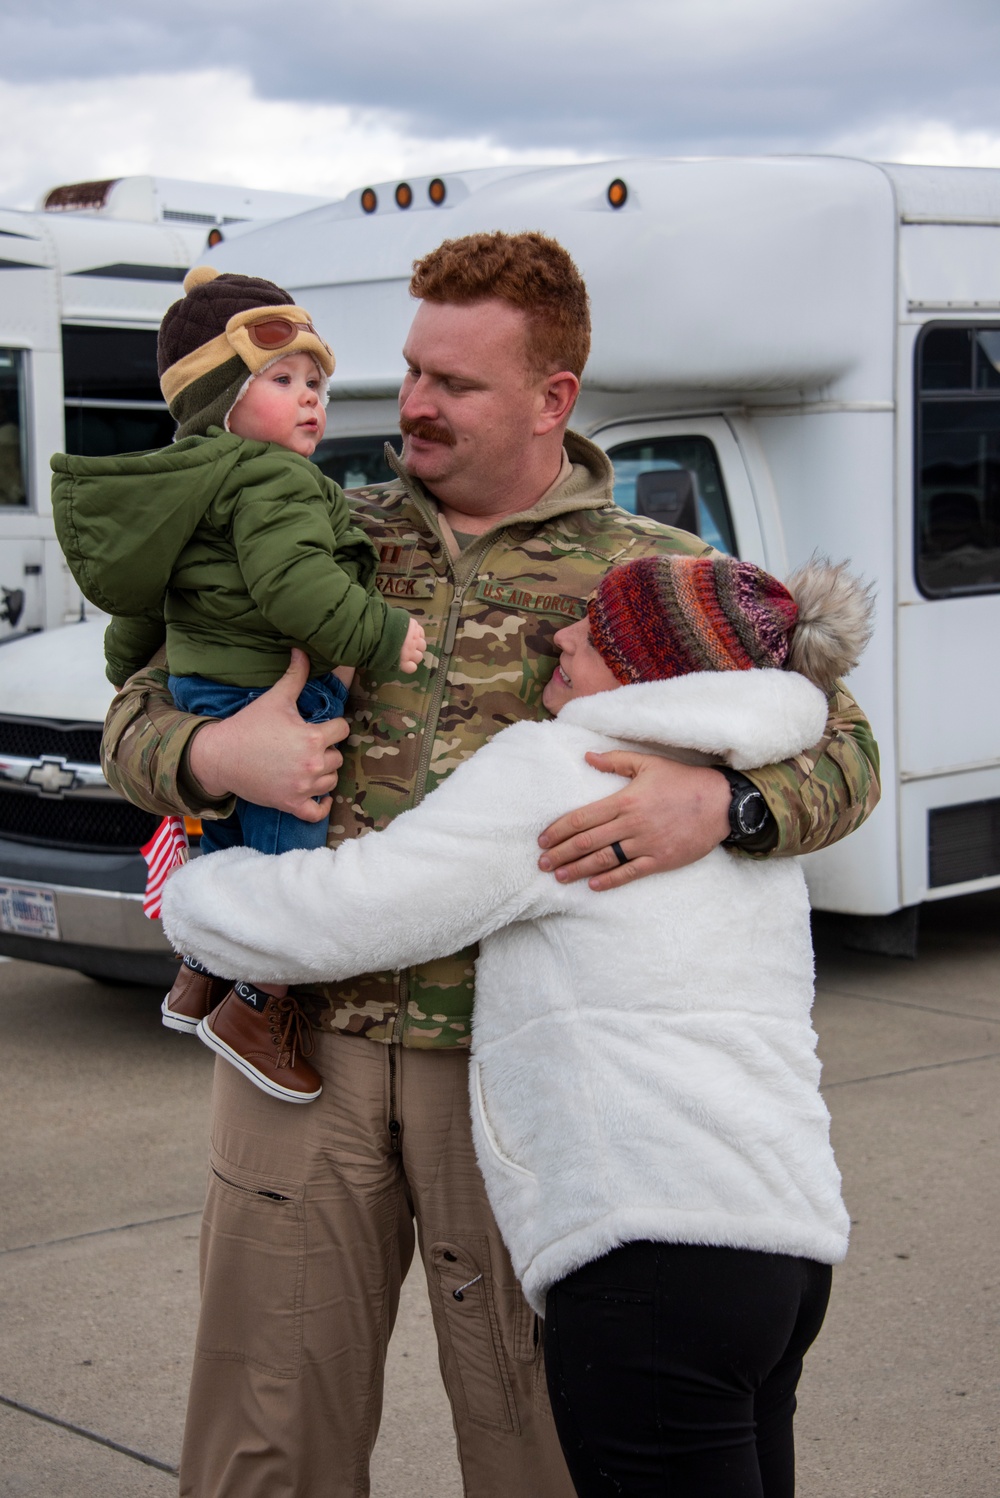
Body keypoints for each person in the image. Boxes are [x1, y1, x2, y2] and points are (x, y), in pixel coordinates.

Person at [101, 230, 881, 1498]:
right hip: (301, 1048)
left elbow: (844, 752)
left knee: (538, 1442)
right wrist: (210, 757)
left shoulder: (651, 574)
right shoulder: (302, 528)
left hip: (514, 1074)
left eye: (453, 383)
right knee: (264, 1431)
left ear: (550, 399)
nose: (411, 403)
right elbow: (130, 722)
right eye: (410, 369)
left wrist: (722, 801)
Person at [162, 550, 873, 1497]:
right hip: (779, 1256)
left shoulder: (569, 769)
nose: (562, 636)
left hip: (650, 1248)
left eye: (597, 632)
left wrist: (197, 895)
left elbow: (360, 908)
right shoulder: (740, 782)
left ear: (656, 671)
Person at [52, 266, 426, 1103]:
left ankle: (197, 978)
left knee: (224, 850)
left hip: (205, 689)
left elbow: (146, 605)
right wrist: (384, 632)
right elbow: (296, 589)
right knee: (287, 871)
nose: (311, 399)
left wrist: (142, 670)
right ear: (220, 399)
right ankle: (256, 1007)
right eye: (284, 379)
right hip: (276, 695)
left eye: (317, 382)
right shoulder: (278, 479)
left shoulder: (189, 486)